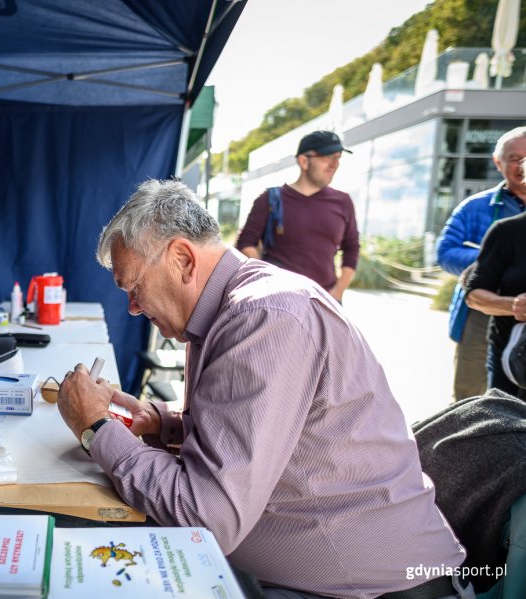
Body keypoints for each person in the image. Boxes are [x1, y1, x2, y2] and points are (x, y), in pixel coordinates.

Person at [57, 179, 470, 598]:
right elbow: (271, 434)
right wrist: (165, 423)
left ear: (182, 259)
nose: (133, 307)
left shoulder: (262, 316)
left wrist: (96, 428)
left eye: (134, 287)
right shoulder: (233, 308)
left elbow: (205, 518)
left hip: (374, 589)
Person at [437, 126, 526, 401]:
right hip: (482, 309)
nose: (521, 165)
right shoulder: (474, 206)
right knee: (470, 394)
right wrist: (493, 261)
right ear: (498, 163)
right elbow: (446, 252)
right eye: (514, 158)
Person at [235, 130, 359, 302]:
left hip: (325, 301)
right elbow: (245, 242)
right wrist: (266, 281)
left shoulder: (343, 202)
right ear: (303, 161)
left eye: (338, 158)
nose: (334, 164)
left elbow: (352, 248)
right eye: (327, 158)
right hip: (277, 300)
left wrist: (338, 292)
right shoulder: (270, 199)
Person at [464, 161, 526, 400]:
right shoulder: (506, 232)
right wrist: (514, 305)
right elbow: (474, 294)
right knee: (508, 432)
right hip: (514, 362)